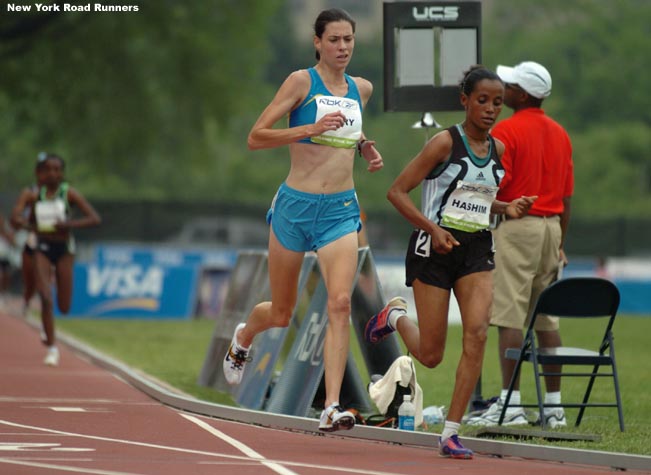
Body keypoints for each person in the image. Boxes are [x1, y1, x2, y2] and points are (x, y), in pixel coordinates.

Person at [221, 8, 383, 432]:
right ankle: (243, 337)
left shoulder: (361, 88)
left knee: (340, 303)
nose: (343, 47)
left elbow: (346, 133)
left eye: (349, 39)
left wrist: (365, 146)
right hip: (295, 206)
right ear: (317, 42)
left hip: (340, 210)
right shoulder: (299, 82)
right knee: (280, 311)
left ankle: (330, 406)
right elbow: (256, 137)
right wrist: (306, 129)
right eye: (334, 40)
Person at [364, 66, 537, 459]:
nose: (491, 109)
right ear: (465, 101)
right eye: (482, 101)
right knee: (430, 355)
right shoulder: (443, 143)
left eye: (497, 102)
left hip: (476, 249)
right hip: (434, 248)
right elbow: (397, 193)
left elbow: (475, 197)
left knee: (477, 333)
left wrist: (505, 207)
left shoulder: (500, 150)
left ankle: (451, 433)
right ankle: (393, 317)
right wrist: (433, 229)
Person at [466, 61, 573, 429]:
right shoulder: (560, 133)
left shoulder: (506, 131)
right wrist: (560, 242)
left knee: (509, 313)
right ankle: (555, 408)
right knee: (547, 318)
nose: (502, 91)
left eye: (508, 86)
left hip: (517, 226)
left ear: (522, 95)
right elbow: (568, 196)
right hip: (552, 228)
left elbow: (495, 185)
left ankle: (511, 404)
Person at [11, 153, 101, 366]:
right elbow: (15, 218)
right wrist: (27, 224)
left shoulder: (68, 193)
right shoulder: (33, 195)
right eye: (48, 169)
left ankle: (47, 324)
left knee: (64, 305)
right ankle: (52, 348)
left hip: (64, 249)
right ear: (40, 173)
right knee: (45, 297)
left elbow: (95, 218)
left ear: (62, 173)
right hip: (41, 246)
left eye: (57, 169)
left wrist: (68, 225)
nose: (52, 173)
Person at [13, 153, 48, 316]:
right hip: (32, 234)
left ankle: (46, 302)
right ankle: (28, 297)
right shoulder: (29, 192)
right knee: (30, 276)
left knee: (47, 274)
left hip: (54, 239)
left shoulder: (62, 193)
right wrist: (27, 223)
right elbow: (16, 216)